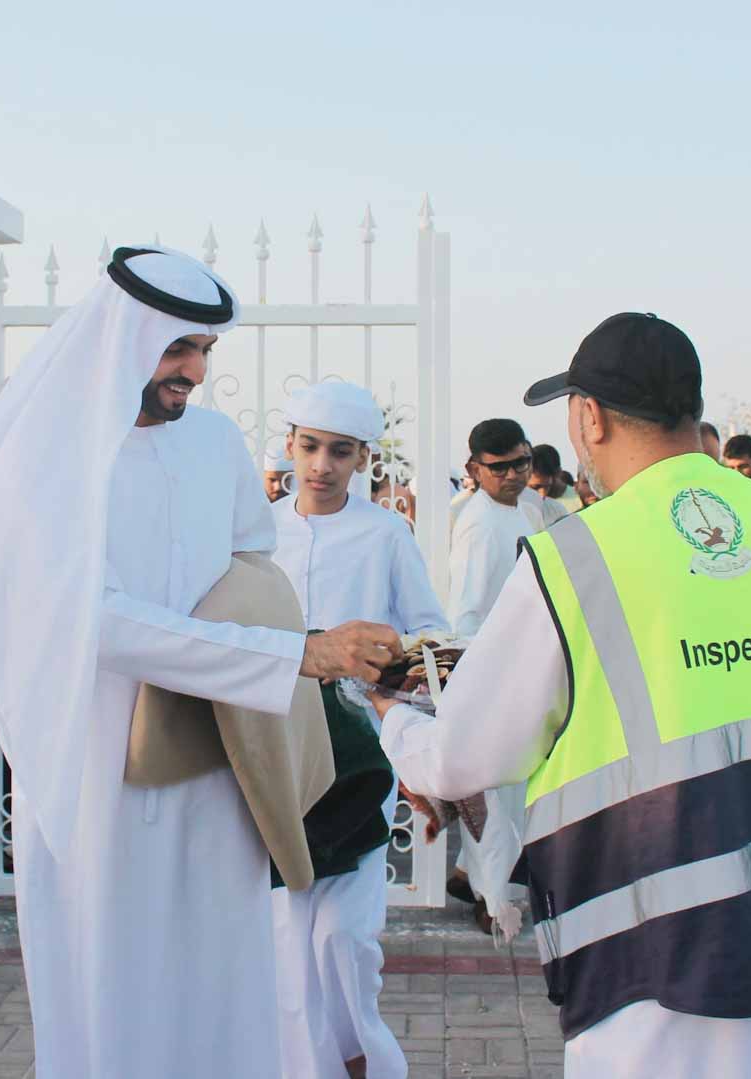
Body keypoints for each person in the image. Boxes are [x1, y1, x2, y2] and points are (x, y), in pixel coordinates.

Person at [376, 312, 751, 1077]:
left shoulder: (574, 556)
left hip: (658, 951)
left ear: (589, 417)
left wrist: (393, 717)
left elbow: (460, 758)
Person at [0, 246, 400, 1079]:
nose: (193, 370)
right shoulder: (49, 457)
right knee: (113, 979)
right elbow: (94, 621)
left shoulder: (216, 443)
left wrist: (279, 655)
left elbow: (251, 565)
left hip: (213, 758)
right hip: (97, 770)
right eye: (177, 347)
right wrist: (292, 654)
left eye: (204, 351)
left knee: (222, 973)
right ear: (122, 338)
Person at [270, 380, 444, 1079]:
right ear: (289, 445)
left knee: (344, 936)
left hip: (363, 755)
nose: (321, 465)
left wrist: (393, 686)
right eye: (310, 447)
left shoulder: (385, 533)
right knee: (287, 942)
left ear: (363, 458)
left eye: (339, 451)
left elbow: (429, 631)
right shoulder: (256, 535)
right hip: (277, 752)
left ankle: (364, 1061)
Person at [448, 419, 538, 637]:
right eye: (499, 468)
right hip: (493, 648)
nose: (512, 475)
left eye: (520, 463)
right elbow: (464, 615)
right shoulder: (480, 524)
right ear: (475, 470)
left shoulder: (520, 510)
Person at [528, 444, 579, 517]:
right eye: (535, 487)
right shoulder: (519, 507)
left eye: (547, 486)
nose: (542, 495)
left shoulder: (582, 499)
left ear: (558, 473)